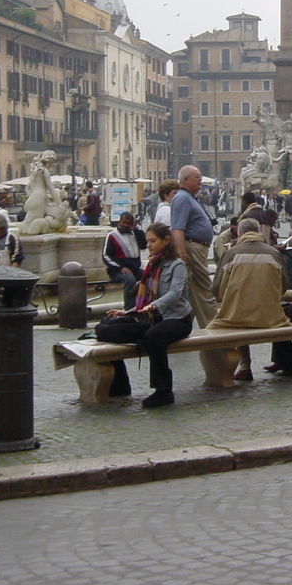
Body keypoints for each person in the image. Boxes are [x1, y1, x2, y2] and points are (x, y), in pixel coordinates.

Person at [102, 223, 193, 408]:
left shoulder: (178, 265)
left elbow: (174, 294)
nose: (148, 245)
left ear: (166, 241)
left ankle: (163, 391)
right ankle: (120, 385)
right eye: (147, 241)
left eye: (153, 241)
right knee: (109, 327)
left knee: (154, 336)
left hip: (176, 319)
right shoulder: (151, 265)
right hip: (152, 317)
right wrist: (128, 312)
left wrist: (153, 306)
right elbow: (143, 299)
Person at [209, 217, 292, 379]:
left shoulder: (231, 253)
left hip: (237, 316)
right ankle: (290, 363)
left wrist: (230, 297)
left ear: (239, 233)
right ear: (259, 232)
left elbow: (217, 288)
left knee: (225, 321)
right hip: (271, 317)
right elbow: (283, 284)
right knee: (275, 317)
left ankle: (242, 366)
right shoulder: (274, 253)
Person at [171, 165, 217, 327]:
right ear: (185, 180)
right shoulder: (183, 198)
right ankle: (214, 328)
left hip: (196, 247)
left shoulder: (188, 197)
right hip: (193, 247)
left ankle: (180, 326)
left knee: (193, 292)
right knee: (203, 289)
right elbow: (177, 228)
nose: (200, 180)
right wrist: (182, 254)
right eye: (197, 177)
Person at [103, 212, 147, 309]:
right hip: (117, 271)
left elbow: (144, 245)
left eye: (128, 223)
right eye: (123, 222)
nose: (125, 225)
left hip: (135, 269)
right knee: (130, 279)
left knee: (149, 276)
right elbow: (106, 255)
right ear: (119, 221)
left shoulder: (135, 234)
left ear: (132, 223)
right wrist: (120, 267)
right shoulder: (112, 235)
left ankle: (145, 303)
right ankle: (129, 308)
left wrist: (136, 230)